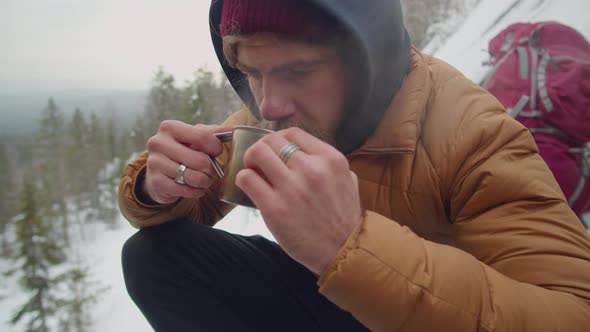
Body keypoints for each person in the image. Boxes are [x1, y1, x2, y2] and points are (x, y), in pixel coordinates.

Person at [118, 0, 590, 331]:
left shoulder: (474, 134)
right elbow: (201, 197)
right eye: (253, 74)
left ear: (367, 60)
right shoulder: (277, 114)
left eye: (298, 71)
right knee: (153, 257)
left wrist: (351, 246)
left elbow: (574, 313)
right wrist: (159, 187)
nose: (269, 104)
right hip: (336, 302)